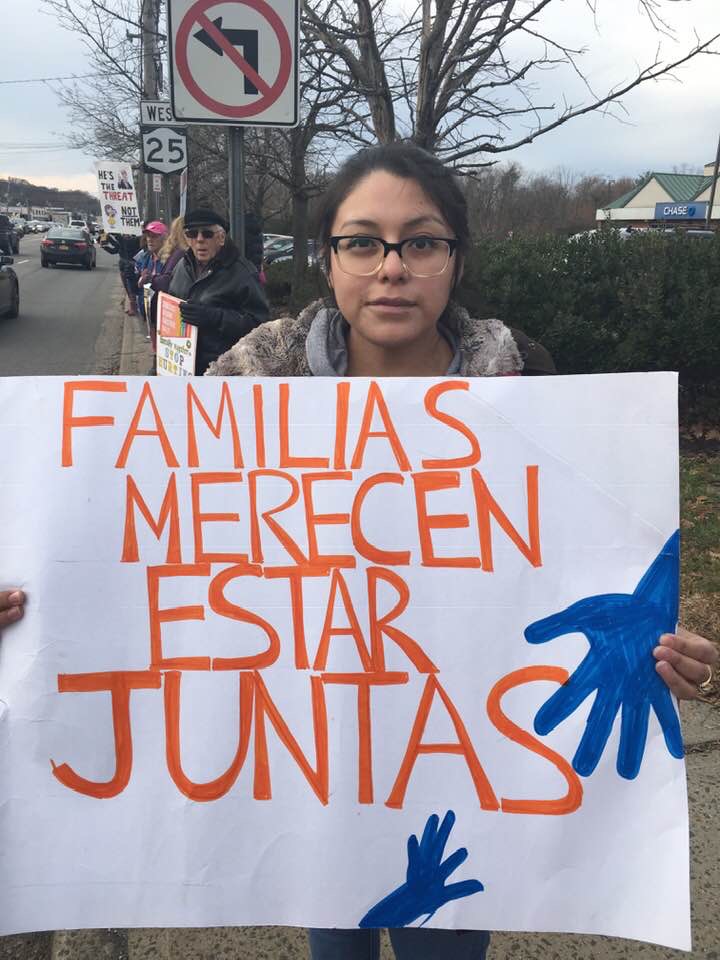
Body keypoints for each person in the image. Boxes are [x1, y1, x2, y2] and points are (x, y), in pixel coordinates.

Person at [1, 144, 716, 959]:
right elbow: (140, 547)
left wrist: (658, 647)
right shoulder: (249, 386)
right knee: (335, 932)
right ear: (328, 257)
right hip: (312, 775)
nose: (393, 268)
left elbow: (584, 560)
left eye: (422, 242)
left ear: (455, 257)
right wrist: (32, 606)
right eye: (363, 242)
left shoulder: (529, 390)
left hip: (465, 782)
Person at [168, 206, 269, 375]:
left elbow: (260, 325)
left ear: (221, 238)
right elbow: (172, 302)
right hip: (181, 365)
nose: (199, 240)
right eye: (192, 234)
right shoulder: (181, 266)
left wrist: (215, 317)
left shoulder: (242, 273)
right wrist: (158, 307)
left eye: (207, 234)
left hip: (223, 371)